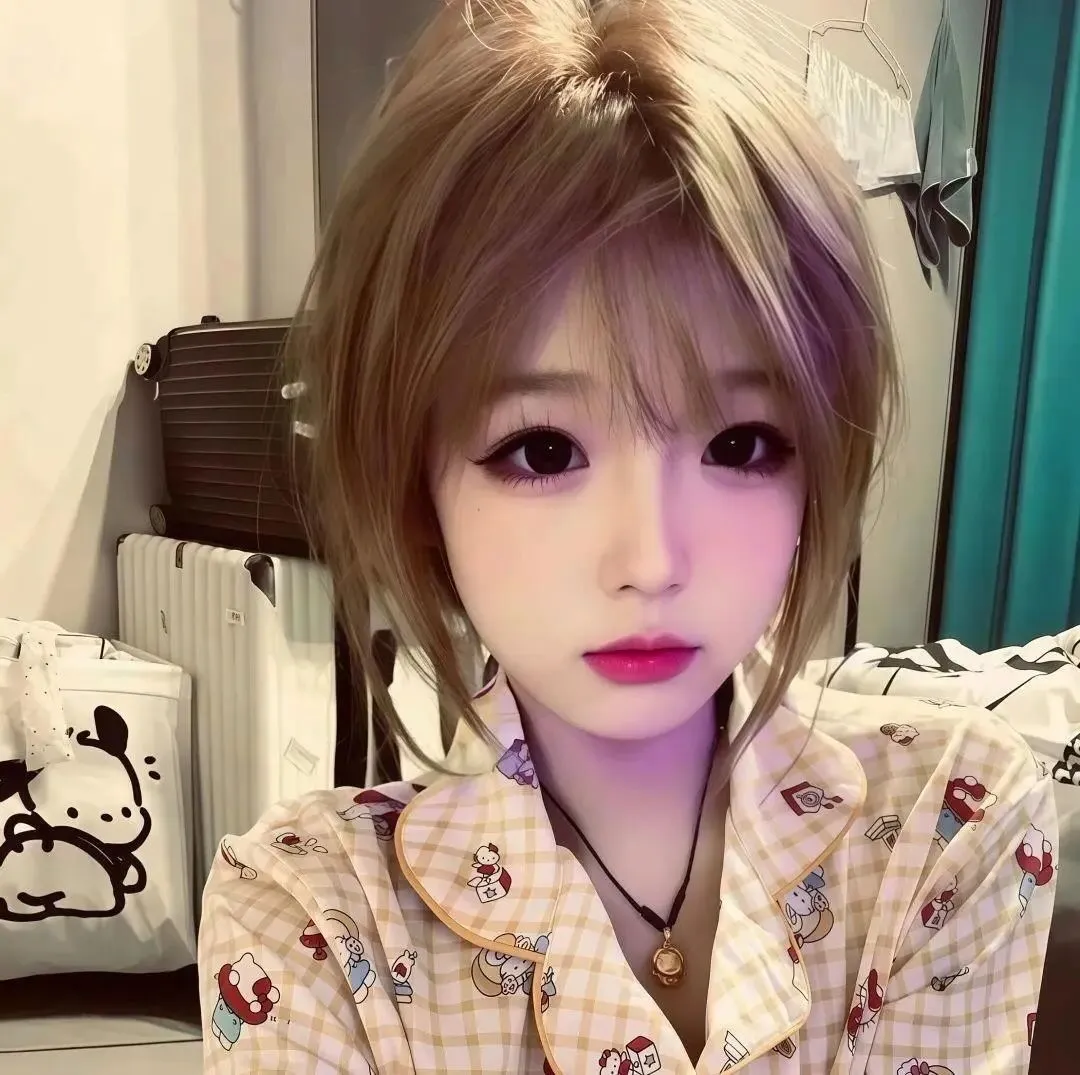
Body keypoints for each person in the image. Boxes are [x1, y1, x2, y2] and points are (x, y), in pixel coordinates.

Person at [197, 1, 1057, 1071]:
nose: (650, 562)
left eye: (741, 443)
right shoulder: (312, 916)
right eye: (543, 449)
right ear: (417, 481)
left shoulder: (948, 822)